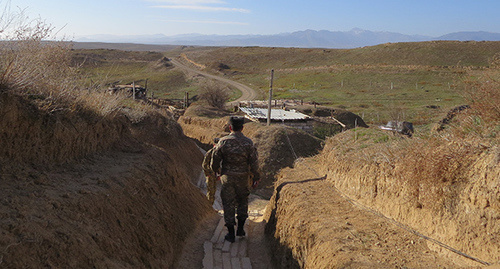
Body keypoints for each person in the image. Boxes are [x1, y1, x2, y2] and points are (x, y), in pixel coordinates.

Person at [211, 116, 260, 243]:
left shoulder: (223, 142)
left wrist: (215, 171)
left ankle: (231, 234)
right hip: (243, 177)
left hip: (227, 178)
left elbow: (215, 159)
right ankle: (241, 229)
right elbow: (254, 162)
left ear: (230, 127)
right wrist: (256, 177)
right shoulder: (248, 143)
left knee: (228, 203)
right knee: (243, 201)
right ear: (242, 128)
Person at [202, 138, 220, 205]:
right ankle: (209, 207)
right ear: (214, 145)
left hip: (214, 175)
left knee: (213, 191)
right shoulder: (210, 152)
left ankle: (210, 207)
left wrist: (219, 174)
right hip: (210, 175)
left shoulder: (219, 153)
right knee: (210, 192)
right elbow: (204, 164)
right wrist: (208, 173)